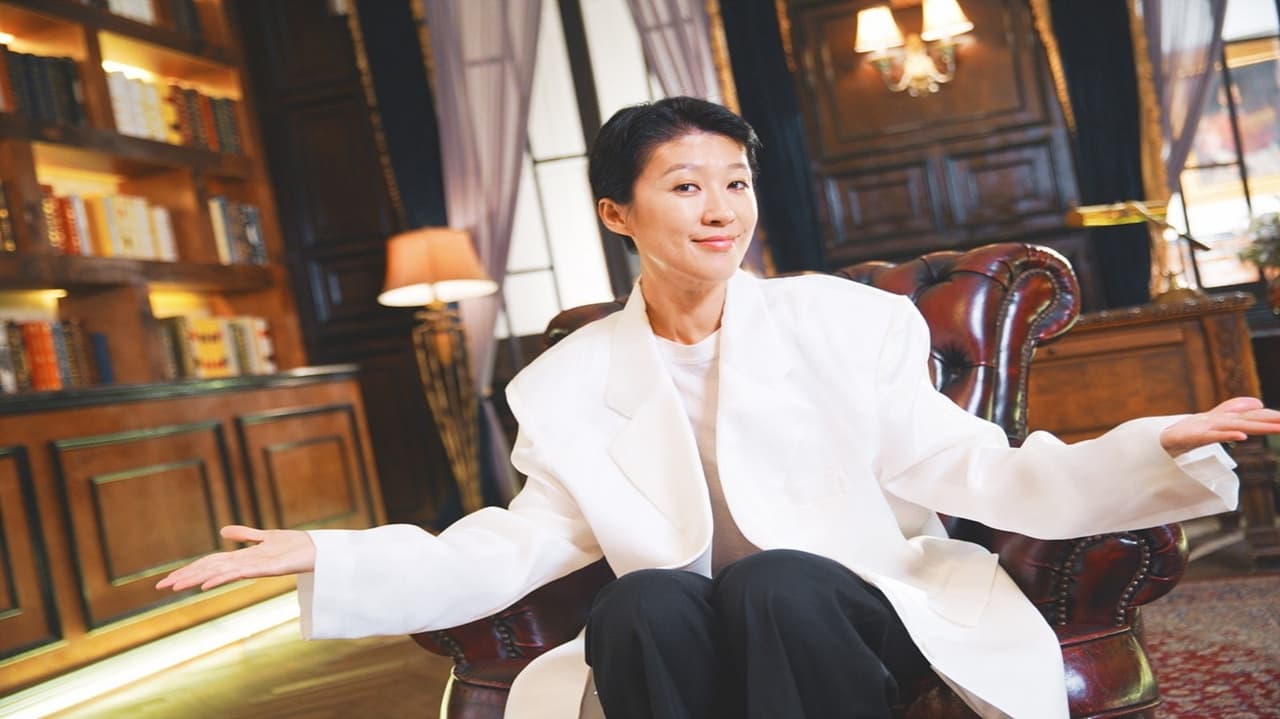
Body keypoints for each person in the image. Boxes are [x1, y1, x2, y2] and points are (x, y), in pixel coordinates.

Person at [159, 97, 1280, 719]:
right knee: (640, 602)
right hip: (689, 633)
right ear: (618, 213)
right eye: (685, 186)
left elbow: (971, 467)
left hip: (849, 614)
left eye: (734, 183)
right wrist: (330, 551)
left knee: (777, 579)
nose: (720, 209)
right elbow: (522, 538)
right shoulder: (565, 379)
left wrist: (1152, 444)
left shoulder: (845, 322)